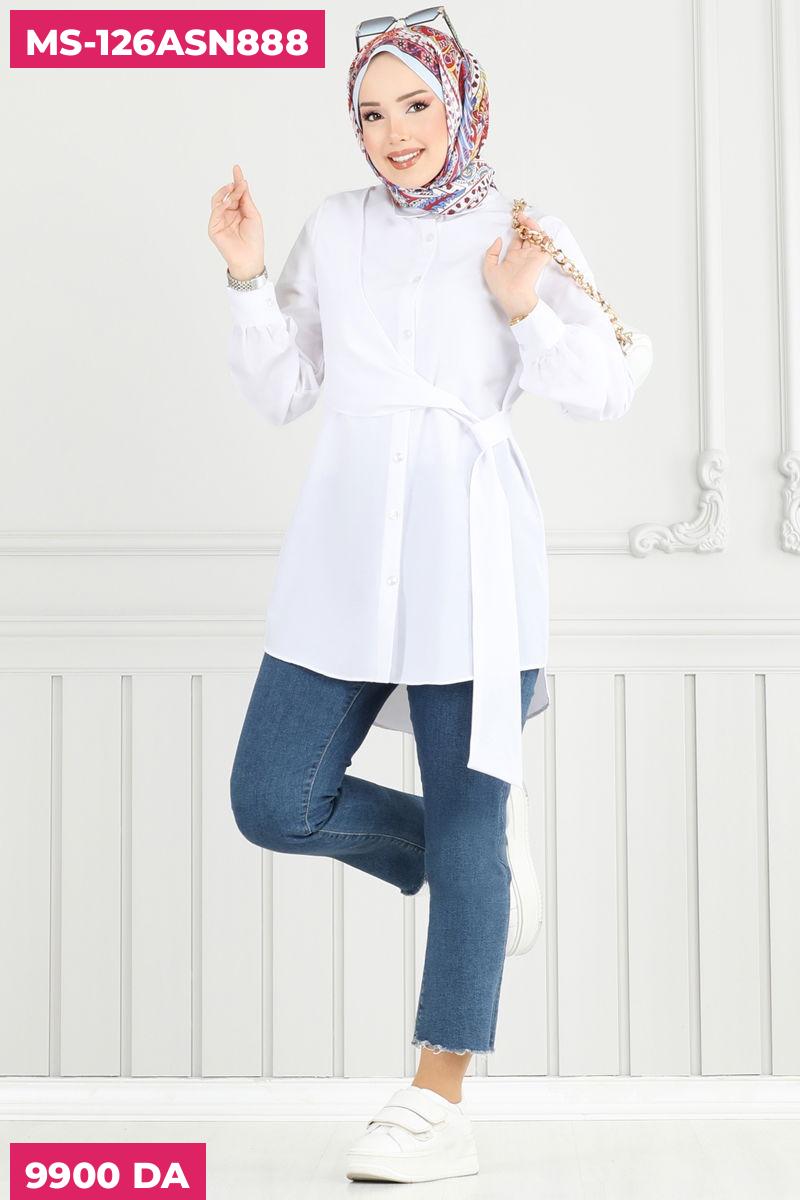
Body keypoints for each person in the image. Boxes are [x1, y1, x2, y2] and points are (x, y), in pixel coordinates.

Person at [207, 14, 634, 1186]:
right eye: (370, 113)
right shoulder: (334, 230)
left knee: (463, 814)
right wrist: (244, 273)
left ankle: (435, 1099)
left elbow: (605, 388)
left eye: (415, 105)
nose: (394, 133)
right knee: (271, 798)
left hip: (470, 562)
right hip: (341, 558)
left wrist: (522, 306)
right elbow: (283, 389)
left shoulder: (525, 230)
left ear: (461, 104)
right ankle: (472, 853)